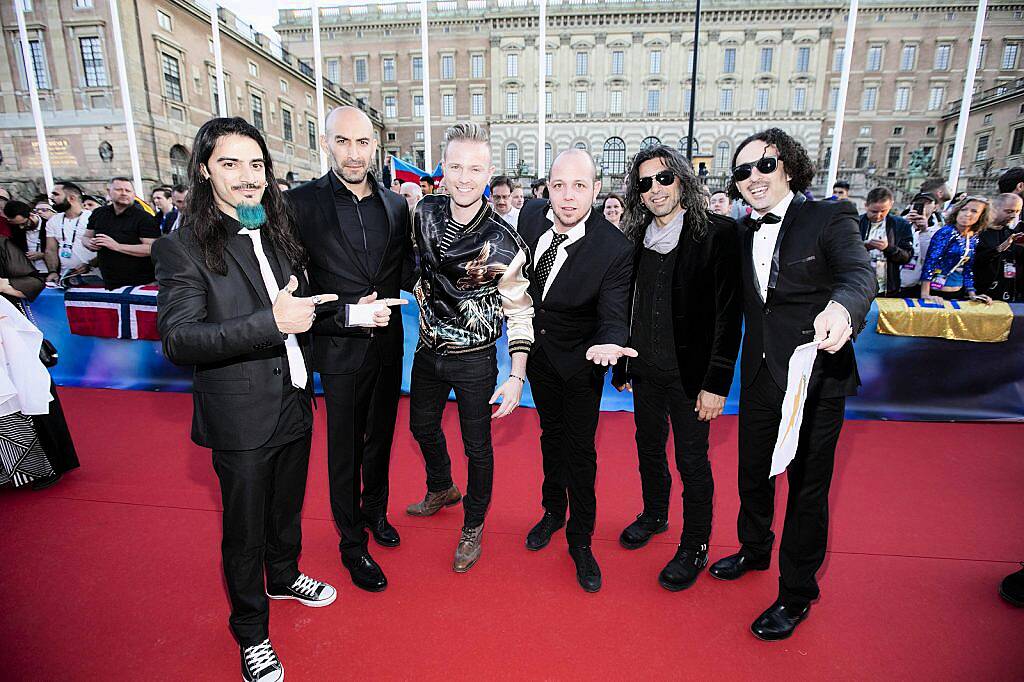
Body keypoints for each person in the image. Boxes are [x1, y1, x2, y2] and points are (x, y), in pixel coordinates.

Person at [152, 117, 339, 682]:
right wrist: (268, 322)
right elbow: (179, 339)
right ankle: (251, 631)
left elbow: (297, 306)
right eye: (230, 164)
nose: (247, 177)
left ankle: (283, 577)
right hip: (238, 413)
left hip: (294, 398)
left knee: (286, 509)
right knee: (244, 526)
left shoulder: (275, 232)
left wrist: (352, 313)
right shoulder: (180, 246)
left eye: (255, 164)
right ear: (205, 171)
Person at [710, 128, 874, 641]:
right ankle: (754, 549)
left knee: (807, 490)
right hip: (759, 378)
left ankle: (797, 593)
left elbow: (859, 275)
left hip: (816, 380)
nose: (752, 178)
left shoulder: (830, 217)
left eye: (763, 165)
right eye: (741, 172)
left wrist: (842, 308)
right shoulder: (738, 233)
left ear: (789, 166)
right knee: (753, 473)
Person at [287, 106, 415, 593]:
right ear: (326, 144)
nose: (355, 152)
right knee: (344, 448)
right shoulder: (300, 204)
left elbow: (403, 271)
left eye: (363, 142)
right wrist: (344, 309)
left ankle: (376, 512)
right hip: (338, 346)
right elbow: (293, 283)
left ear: (375, 146)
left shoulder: (396, 206)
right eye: (344, 141)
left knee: (381, 438)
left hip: (387, 344)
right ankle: (351, 541)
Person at [610, 144, 741, 592]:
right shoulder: (633, 238)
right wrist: (623, 366)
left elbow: (729, 316)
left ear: (682, 180)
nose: (655, 189)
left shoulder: (717, 234)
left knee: (691, 460)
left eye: (664, 178)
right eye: (644, 183)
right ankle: (654, 513)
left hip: (692, 377)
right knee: (648, 448)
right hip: (646, 370)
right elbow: (627, 305)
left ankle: (696, 543)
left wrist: (716, 383)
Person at [406, 122, 534, 573]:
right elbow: (414, 269)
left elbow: (520, 311)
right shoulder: (423, 211)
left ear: (489, 172)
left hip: (476, 360)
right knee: (421, 428)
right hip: (426, 349)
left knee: (477, 448)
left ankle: (473, 525)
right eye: (456, 166)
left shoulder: (507, 242)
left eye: (475, 168)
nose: (464, 177)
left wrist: (516, 375)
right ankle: (442, 486)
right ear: (443, 168)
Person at [517, 150, 633, 592]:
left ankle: (580, 540)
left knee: (580, 450)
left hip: (585, 362)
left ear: (595, 190)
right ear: (546, 186)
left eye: (579, 186)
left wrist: (610, 341)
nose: (568, 197)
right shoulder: (529, 217)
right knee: (550, 437)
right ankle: (552, 511)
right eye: (560, 185)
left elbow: (614, 309)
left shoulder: (614, 247)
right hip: (539, 358)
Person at [0, 234, 80, 491]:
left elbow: (34, 280)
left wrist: (3, 285)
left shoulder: (1, 244)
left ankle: (40, 466)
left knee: (24, 393)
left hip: (8, 338)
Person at [82, 177, 160, 289]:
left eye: (128, 191)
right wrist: (89, 243)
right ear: (109, 192)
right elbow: (86, 236)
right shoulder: (99, 213)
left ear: (134, 194)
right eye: (119, 190)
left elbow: (151, 249)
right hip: (108, 280)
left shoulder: (144, 217)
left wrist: (117, 246)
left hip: (140, 282)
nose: (124, 193)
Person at [920, 195, 992, 304]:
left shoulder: (973, 237)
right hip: (936, 292)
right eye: (964, 209)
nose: (967, 214)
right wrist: (925, 294)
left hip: (957, 292)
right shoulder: (946, 232)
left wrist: (972, 293)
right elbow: (930, 261)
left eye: (974, 211)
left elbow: (968, 267)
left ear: (981, 216)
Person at [858, 187, 913, 297]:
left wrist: (888, 248)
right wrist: (863, 247)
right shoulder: (855, 223)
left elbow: (906, 257)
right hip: (858, 284)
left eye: (883, 211)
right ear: (866, 205)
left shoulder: (901, 225)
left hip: (887, 287)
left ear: (891, 205)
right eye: (873, 211)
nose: (878, 215)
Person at [974, 193, 1024, 302]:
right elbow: (975, 261)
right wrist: (998, 249)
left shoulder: (1012, 234)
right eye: (1009, 211)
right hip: (982, 296)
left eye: (1017, 211)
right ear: (993, 209)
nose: (1013, 216)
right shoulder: (977, 233)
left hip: (1008, 297)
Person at [44, 182, 96, 281]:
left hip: (94, 275)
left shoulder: (92, 218)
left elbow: (105, 248)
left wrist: (90, 264)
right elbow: (50, 250)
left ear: (71, 198)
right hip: (66, 277)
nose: (51, 198)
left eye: (56, 194)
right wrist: (53, 272)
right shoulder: (53, 221)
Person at [2, 201, 51, 277]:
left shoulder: (49, 225)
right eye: (17, 225)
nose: (21, 227)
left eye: (23, 223)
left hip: (49, 271)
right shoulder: (14, 228)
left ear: (31, 215)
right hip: (27, 273)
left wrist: (43, 255)